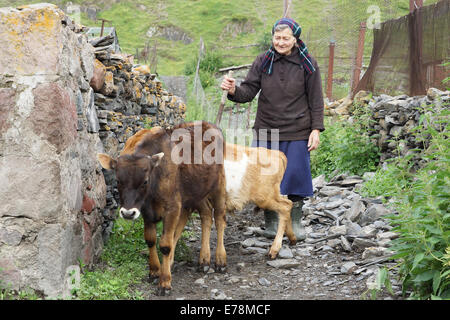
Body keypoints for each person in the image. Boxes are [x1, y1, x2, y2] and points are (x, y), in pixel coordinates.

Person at [220, 17, 324, 240]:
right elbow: (247, 92)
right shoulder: (263, 61)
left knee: (296, 176)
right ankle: (271, 223)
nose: (281, 42)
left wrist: (316, 129)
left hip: (298, 129)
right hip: (267, 128)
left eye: (286, 38)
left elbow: (316, 99)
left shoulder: (308, 64)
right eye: (277, 38)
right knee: (263, 176)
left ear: (295, 39)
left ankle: (295, 223)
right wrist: (232, 90)